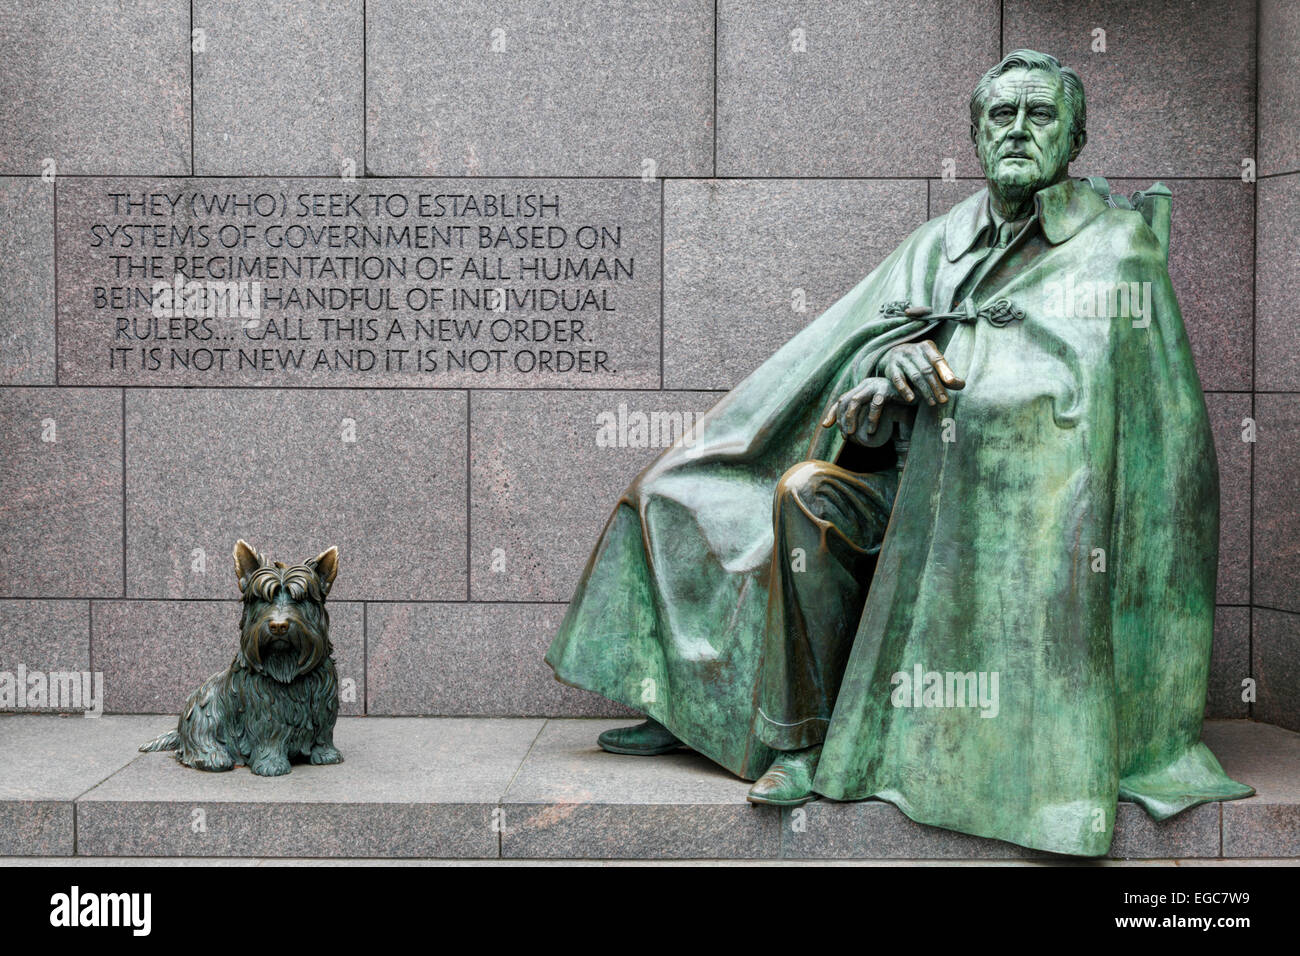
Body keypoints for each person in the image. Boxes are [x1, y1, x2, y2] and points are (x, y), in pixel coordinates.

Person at [544, 49, 1252, 856]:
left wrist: (961, 395)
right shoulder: (943, 237)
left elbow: (1110, 420)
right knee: (749, 490)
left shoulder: (1115, 247)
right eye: (1000, 116)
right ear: (978, 136)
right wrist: (884, 373)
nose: (1018, 131)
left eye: (1040, 116)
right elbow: (854, 348)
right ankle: (771, 731)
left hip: (1008, 522)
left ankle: (863, 742)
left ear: (1076, 136)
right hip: (901, 484)